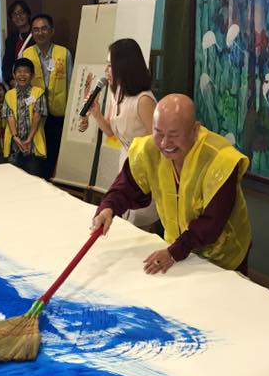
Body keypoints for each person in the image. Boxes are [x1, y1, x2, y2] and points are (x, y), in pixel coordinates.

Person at [91, 94, 252, 275]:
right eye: (158, 133)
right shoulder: (150, 149)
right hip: (177, 245)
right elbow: (126, 186)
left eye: (174, 135)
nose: (164, 143)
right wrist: (108, 208)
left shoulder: (220, 159)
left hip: (222, 252)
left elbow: (212, 222)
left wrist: (174, 253)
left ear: (195, 130)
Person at [80, 38, 157, 228]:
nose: (106, 70)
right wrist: (96, 113)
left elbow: (159, 144)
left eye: (110, 65)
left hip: (146, 169)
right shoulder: (116, 93)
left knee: (139, 222)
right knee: (123, 218)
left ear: (124, 66)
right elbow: (110, 131)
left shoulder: (143, 100)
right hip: (126, 164)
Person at [23, 14, 72, 178]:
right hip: (35, 113)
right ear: (32, 33)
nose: (40, 33)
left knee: (55, 153)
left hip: (59, 112)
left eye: (44, 29)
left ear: (52, 31)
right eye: (36, 30)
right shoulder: (26, 54)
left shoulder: (64, 53)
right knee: (37, 156)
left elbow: (71, 82)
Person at [2, 59, 46, 176]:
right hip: (14, 145)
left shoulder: (38, 92)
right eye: (19, 72)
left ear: (32, 75)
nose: (22, 75)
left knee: (33, 177)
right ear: (14, 75)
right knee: (14, 178)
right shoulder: (9, 94)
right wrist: (15, 137)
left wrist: (29, 139)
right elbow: (9, 115)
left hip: (33, 145)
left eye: (26, 72)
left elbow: (37, 116)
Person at [2, 0, 33, 83]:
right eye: (14, 14)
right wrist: (11, 80)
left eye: (21, 13)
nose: (18, 17)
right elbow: (7, 64)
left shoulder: (36, 35)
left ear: (28, 14)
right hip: (16, 83)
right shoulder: (11, 39)